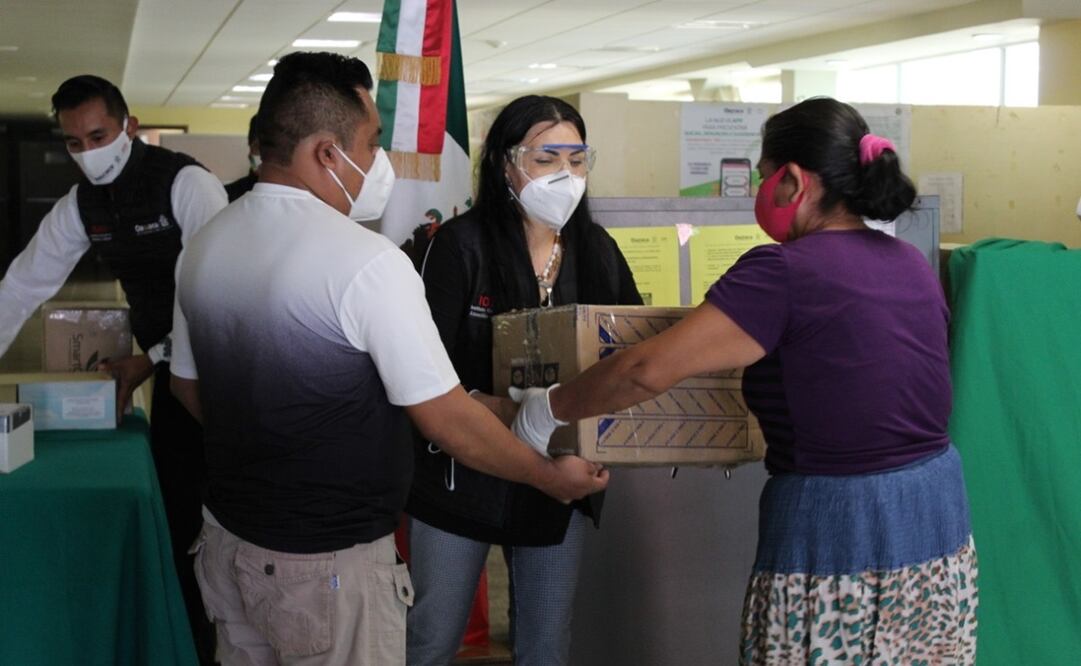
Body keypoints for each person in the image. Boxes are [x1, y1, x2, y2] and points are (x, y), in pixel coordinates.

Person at [168, 53, 607, 666]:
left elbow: (189, 389)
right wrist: (546, 477)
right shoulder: (365, 262)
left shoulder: (205, 245)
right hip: (329, 567)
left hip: (228, 539)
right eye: (372, 143)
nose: (380, 163)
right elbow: (447, 419)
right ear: (327, 152)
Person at [514, 97, 978, 664]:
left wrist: (546, 409)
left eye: (763, 176)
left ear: (794, 181)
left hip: (840, 523)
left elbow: (643, 371)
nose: (759, 191)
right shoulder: (909, 261)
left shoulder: (784, 271)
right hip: (936, 517)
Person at [406, 95, 642, 666]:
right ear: (505, 165)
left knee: (545, 643)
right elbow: (422, 374)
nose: (565, 174)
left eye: (577, 159)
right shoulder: (460, 246)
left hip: (559, 480)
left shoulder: (597, 250)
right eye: (545, 158)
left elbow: (631, 355)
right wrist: (509, 413)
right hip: (460, 472)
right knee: (432, 637)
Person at [0, 74, 227, 664]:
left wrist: (148, 361)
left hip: (227, 371)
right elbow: (21, 287)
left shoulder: (188, 184)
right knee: (176, 512)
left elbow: (215, 296)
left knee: (224, 509)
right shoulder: (81, 205)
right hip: (169, 373)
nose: (88, 153)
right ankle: (183, 643)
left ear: (128, 127)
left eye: (98, 135)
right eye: (74, 143)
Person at [224, 114, 260, 201]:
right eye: (259, 148)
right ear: (251, 148)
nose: (268, 157)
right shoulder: (226, 195)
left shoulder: (295, 198)